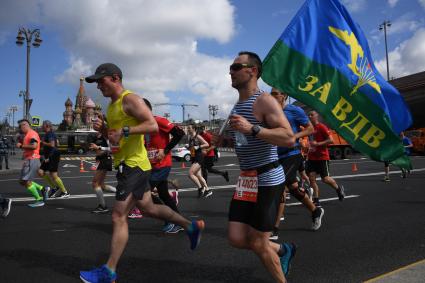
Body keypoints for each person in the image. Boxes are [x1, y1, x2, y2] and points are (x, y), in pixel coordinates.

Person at [80, 63, 204, 283]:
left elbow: (152, 125)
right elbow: (115, 137)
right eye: (96, 82)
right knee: (148, 208)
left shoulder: (131, 99)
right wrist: (105, 131)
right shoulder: (112, 106)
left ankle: (109, 272)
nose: (98, 86)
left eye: (101, 80)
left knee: (118, 216)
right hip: (129, 165)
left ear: (115, 78)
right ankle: (190, 225)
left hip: (133, 166)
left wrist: (125, 130)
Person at [214, 51, 296, 283]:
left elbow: (288, 137)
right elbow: (243, 140)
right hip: (247, 179)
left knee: (259, 242)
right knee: (237, 238)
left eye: (236, 66)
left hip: (268, 177)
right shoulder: (238, 105)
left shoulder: (264, 100)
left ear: (253, 71)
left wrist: (253, 129)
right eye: (231, 67)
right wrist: (225, 140)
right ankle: (282, 250)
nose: (230, 71)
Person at [270, 88, 324, 239]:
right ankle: (315, 210)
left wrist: (294, 136)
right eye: (271, 94)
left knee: (280, 186)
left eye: (275, 93)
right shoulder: (270, 113)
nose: (272, 96)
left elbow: (310, 129)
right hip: (277, 155)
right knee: (293, 187)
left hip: (292, 154)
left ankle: (274, 228)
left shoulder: (294, 110)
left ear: (284, 96)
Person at [143, 98, 185, 233]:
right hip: (152, 166)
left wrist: (166, 150)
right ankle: (178, 221)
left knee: (143, 193)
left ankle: (170, 219)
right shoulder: (143, 126)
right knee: (164, 194)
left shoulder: (159, 120)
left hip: (162, 164)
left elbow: (179, 134)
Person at [306, 111, 345, 207]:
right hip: (312, 157)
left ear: (316, 116)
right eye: (309, 115)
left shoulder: (322, 127)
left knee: (325, 179)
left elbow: (331, 140)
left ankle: (338, 189)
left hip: (322, 157)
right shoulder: (309, 128)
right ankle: (316, 200)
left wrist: (318, 144)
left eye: (312, 115)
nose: (309, 116)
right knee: (312, 179)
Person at [16, 119, 48, 207]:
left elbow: (34, 146)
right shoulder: (27, 135)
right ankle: (43, 189)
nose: (20, 128)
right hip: (29, 160)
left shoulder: (32, 134)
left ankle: (39, 200)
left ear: (25, 125)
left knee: (27, 182)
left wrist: (21, 146)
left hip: (32, 160)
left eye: (20, 126)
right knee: (22, 181)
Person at [38, 120, 69, 198]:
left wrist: (42, 143)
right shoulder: (47, 134)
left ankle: (65, 192)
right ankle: (55, 188)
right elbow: (56, 143)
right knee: (40, 172)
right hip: (49, 155)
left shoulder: (50, 134)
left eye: (43, 125)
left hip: (53, 155)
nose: (41, 127)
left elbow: (52, 144)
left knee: (54, 175)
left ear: (47, 126)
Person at [89, 129, 116, 213]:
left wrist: (99, 148)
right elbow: (97, 151)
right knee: (102, 185)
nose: (95, 127)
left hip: (105, 160)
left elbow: (111, 148)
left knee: (95, 183)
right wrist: (94, 148)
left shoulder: (106, 136)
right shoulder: (96, 137)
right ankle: (120, 193)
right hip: (100, 160)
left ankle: (103, 207)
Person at [187, 124, 213, 198]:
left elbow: (207, 144)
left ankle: (200, 188)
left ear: (194, 129)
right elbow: (192, 149)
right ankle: (207, 190)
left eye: (189, 128)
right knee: (198, 175)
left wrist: (198, 146)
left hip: (199, 157)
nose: (188, 129)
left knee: (190, 174)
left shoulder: (197, 136)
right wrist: (188, 147)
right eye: (188, 128)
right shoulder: (190, 137)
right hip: (194, 157)